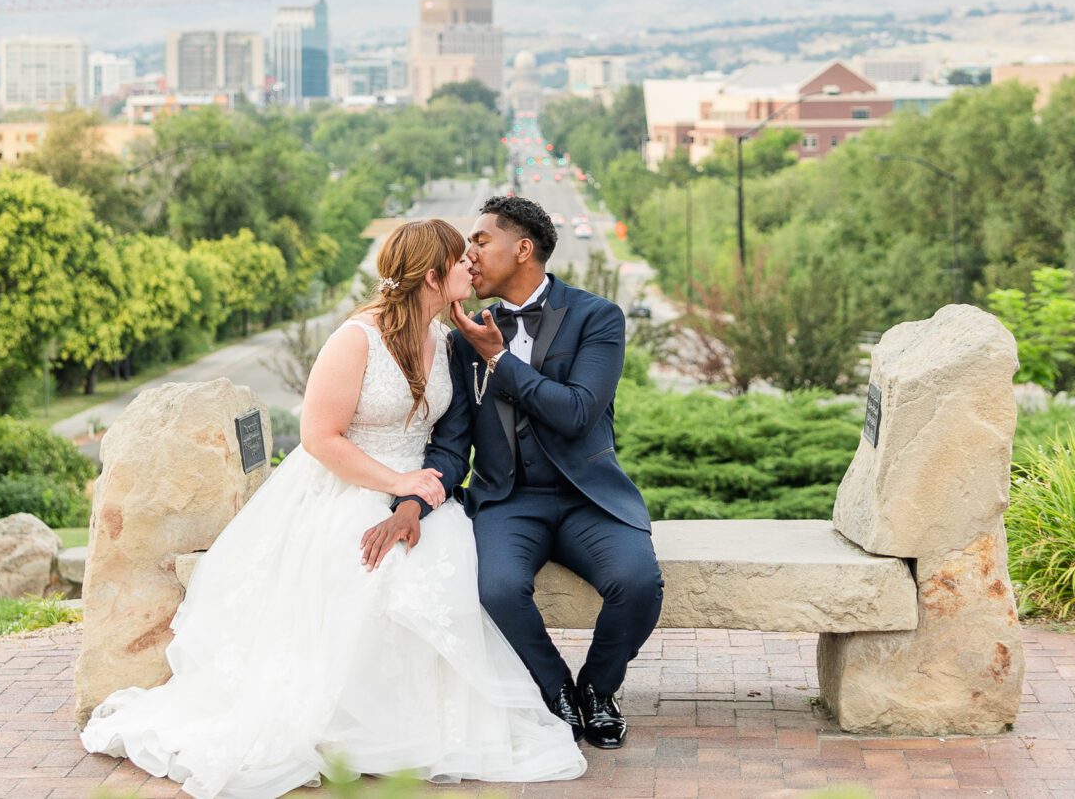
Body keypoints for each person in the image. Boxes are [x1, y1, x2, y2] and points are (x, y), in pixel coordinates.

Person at [79, 218, 587, 799]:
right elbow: (320, 438)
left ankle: (416, 722)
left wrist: (413, 498)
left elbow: (449, 442)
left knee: (439, 563)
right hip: (342, 486)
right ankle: (343, 724)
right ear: (431, 275)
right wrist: (395, 481)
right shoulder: (357, 338)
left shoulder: (446, 340)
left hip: (414, 497)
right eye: (459, 259)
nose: (472, 266)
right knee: (367, 569)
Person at [359, 193, 663, 750]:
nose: (468, 254)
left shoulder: (598, 318)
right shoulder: (462, 336)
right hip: (507, 501)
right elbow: (451, 447)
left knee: (639, 583)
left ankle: (598, 689)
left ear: (523, 249)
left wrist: (500, 359)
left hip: (585, 497)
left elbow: (575, 413)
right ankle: (556, 692)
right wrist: (412, 502)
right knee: (497, 587)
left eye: (479, 241)